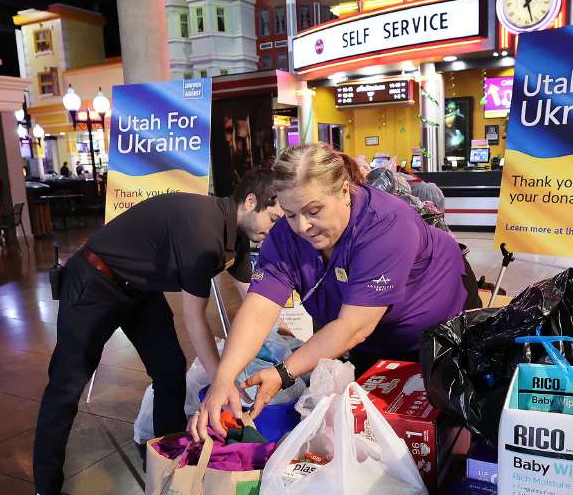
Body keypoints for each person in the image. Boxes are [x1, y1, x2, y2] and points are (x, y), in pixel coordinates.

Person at [32, 171, 283, 495]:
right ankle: (46, 493)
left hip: (140, 290)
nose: (275, 230)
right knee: (65, 390)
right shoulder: (203, 231)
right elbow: (194, 318)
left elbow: (257, 300)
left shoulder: (240, 236)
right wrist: (222, 381)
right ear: (250, 202)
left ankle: (168, 467)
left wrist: (288, 338)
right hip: (95, 281)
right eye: (274, 218)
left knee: (170, 373)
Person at [190, 143, 481, 442]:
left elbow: (353, 327)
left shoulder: (385, 224)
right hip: (371, 340)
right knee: (373, 430)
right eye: (289, 214)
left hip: (440, 327)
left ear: (344, 191)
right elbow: (258, 310)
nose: (302, 226)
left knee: (447, 428)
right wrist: (224, 378)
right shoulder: (285, 237)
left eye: (313, 211)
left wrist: (283, 373)